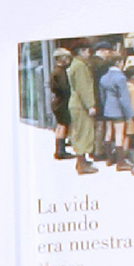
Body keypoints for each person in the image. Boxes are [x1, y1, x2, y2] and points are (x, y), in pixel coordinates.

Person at [57, 41, 105, 172]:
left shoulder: (76, 64)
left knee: (80, 131)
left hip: (77, 103)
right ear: (81, 51)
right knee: (84, 133)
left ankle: (82, 160)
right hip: (81, 105)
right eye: (87, 50)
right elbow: (84, 87)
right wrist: (90, 105)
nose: (89, 53)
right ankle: (81, 164)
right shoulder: (80, 66)